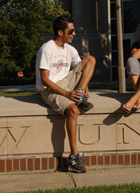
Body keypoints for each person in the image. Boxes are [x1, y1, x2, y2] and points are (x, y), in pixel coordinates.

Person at [35, 15, 96, 173]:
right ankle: (74, 156)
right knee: (73, 110)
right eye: (71, 31)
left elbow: (81, 70)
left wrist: (84, 87)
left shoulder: (71, 50)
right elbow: (45, 80)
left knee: (90, 59)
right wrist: (67, 94)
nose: (74, 34)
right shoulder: (47, 49)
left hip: (66, 84)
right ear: (60, 32)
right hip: (50, 89)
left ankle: (80, 95)